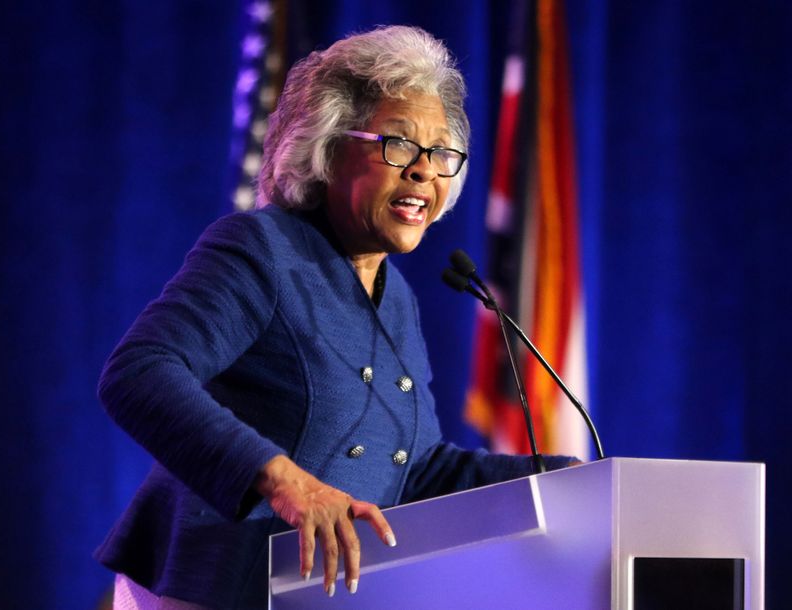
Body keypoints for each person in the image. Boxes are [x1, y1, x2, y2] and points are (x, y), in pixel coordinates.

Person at [95, 25, 575, 609]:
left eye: (441, 152)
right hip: (208, 586)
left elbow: (412, 469)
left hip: (321, 594)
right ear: (324, 149)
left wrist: (559, 478)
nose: (424, 170)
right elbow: (139, 372)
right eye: (398, 144)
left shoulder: (396, 297)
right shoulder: (263, 248)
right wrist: (287, 482)